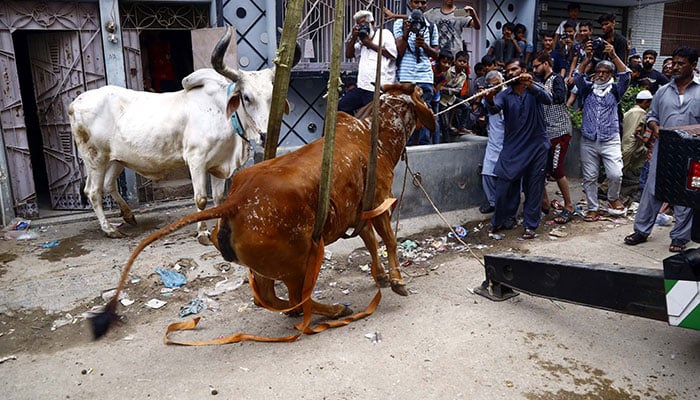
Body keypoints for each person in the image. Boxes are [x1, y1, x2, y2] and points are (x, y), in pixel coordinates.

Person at [624, 46, 700, 253]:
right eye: (673, 63)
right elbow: (652, 117)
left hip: (693, 152)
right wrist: (656, 129)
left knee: (687, 192)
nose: (674, 67)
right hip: (664, 147)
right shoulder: (663, 91)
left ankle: (679, 237)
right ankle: (641, 230)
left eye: (680, 63)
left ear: (693, 65)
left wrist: (690, 132)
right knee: (652, 187)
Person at [484, 58, 553, 239]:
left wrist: (531, 85)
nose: (511, 73)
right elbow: (493, 109)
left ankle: (530, 225)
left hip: (537, 146)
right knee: (504, 185)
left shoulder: (534, 88)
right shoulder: (505, 94)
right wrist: (489, 99)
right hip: (513, 147)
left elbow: (548, 99)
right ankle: (501, 220)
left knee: (533, 187)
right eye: (508, 71)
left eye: (514, 69)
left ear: (523, 70)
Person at [574, 40, 630, 222]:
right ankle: (592, 207)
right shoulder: (588, 89)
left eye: (605, 72)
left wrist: (613, 55)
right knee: (590, 177)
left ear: (610, 74)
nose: (601, 75)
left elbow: (626, 76)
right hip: (588, 140)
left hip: (610, 138)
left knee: (615, 174)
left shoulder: (615, 90)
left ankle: (613, 198)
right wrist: (586, 59)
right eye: (598, 71)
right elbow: (577, 77)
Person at [532, 51, 575, 224]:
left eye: (537, 66)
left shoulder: (556, 79)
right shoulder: (540, 81)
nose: (534, 69)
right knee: (540, 168)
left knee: (556, 169)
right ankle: (545, 204)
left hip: (559, 131)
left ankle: (569, 206)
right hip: (545, 133)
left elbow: (557, 99)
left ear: (546, 64)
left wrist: (539, 90)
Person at [393, 0, 440, 145]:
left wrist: (424, 46)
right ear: (409, 4)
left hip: (425, 77)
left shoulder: (431, 26)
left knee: (424, 112)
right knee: (406, 112)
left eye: (423, 2)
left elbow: (436, 54)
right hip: (406, 76)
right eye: (416, 2)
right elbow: (399, 51)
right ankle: (406, 146)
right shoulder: (399, 24)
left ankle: (424, 147)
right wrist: (406, 34)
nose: (419, 5)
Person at [338, 10, 397, 115]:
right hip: (361, 87)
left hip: (378, 89)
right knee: (340, 107)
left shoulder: (384, 34)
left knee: (371, 119)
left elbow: (392, 54)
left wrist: (368, 43)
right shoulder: (361, 41)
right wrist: (354, 38)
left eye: (364, 24)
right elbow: (348, 54)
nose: (362, 28)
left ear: (372, 23)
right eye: (359, 25)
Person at [620, 90, 654, 200]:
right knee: (621, 168)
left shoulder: (630, 112)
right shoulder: (641, 114)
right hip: (631, 145)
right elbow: (638, 132)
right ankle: (605, 188)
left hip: (625, 143)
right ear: (645, 102)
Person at [479, 70, 505, 214]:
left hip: (508, 140)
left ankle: (504, 206)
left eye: (497, 84)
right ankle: (493, 202)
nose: (495, 87)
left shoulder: (508, 95)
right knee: (487, 173)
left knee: (504, 177)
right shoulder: (489, 95)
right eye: (492, 85)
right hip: (494, 139)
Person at [438, 51, 470, 141]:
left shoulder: (463, 76)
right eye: (460, 61)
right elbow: (439, 87)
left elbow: (457, 90)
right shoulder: (447, 70)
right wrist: (445, 89)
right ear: (455, 61)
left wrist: (445, 89)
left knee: (466, 106)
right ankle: (446, 142)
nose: (462, 63)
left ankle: (461, 127)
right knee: (445, 124)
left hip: (452, 98)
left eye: (464, 62)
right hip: (442, 100)